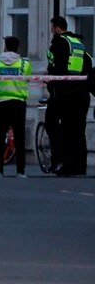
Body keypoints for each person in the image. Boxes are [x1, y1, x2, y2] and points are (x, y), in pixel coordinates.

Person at [46, 15, 90, 177]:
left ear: (57, 28)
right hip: (81, 92)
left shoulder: (59, 43)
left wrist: (51, 83)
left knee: (57, 126)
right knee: (78, 130)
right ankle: (80, 165)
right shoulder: (78, 43)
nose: (52, 32)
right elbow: (87, 64)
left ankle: (62, 163)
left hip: (64, 92)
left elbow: (56, 67)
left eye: (52, 29)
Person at [0, 36, 31, 177]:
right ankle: (20, 171)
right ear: (17, 48)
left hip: (1, 103)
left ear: (5, 46)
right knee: (19, 138)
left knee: (0, 139)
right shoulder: (25, 64)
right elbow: (28, 80)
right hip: (18, 103)